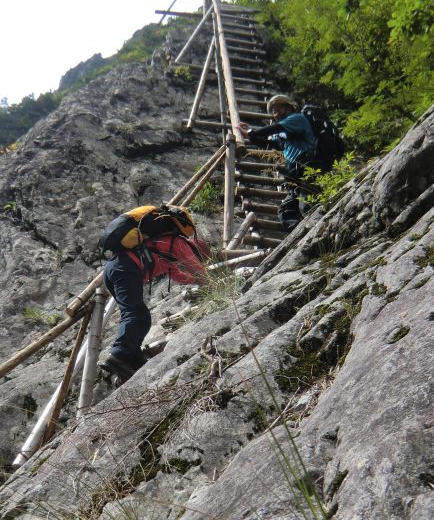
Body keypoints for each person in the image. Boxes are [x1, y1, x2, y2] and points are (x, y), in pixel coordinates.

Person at [100, 216, 211, 383]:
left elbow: (180, 277)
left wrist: (196, 281)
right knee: (136, 314)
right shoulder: (180, 244)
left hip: (115, 269)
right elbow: (198, 271)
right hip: (125, 268)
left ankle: (132, 356)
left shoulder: (167, 251)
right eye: (199, 258)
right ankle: (119, 355)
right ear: (196, 251)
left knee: (140, 316)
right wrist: (214, 283)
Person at [238, 94, 318, 232]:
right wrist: (250, 136)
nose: (275, 114)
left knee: (305, 204)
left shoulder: (296, 119)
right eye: (273, 111)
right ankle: (301, 234)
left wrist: (253, 132)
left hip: (307, 166)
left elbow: (275, 129)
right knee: (286, 210)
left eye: (277, 109)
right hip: (295, 172)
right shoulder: (287, 131)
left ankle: (315, 231)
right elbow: (270, 144)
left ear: (288, 107)